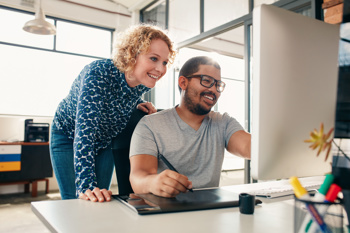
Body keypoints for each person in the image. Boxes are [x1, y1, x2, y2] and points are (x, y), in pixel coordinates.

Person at [49, 24, 176, 202]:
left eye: (164, 62)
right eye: (154, 59)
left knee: (101, 200)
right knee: (78, 201)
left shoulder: (139, 83)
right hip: (69, 137)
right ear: (132, 54)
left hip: (104, 142)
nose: (161, 69)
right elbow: (84, 133)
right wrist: (86, 186)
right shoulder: (98, 74)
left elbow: (116, 96)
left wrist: (137, 104)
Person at [129, 56, 251, 198]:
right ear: (183, 82)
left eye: (218, 85)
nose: (214, 90)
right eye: (206, 81)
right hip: (165, 212)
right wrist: (153, 182)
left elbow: (250, 147)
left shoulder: (224, 122)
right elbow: (139, 178)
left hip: (209, 212)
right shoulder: (150, 125)